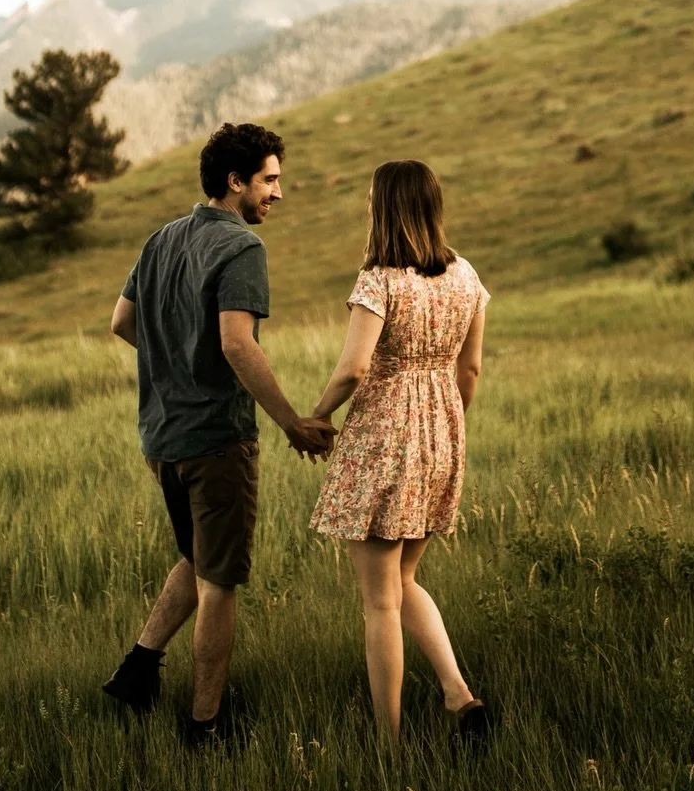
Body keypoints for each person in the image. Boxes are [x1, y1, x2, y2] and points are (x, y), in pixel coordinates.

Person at [104, 121, 334, 742]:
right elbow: (237, 344)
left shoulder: (160, 239)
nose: (278, 192)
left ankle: (138, 668)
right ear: (235, 182)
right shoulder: (241, 247)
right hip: (216, 440)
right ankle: (205, 724)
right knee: (219, 581)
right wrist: (292, 422)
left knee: (198, 556)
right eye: (269, 180)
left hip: (162, 438)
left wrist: (174, 361)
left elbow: (121, 322)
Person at [309, 159, 490, 745]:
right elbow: (470, 369)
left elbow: (354, 369)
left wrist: (316, 416)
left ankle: (388, 745)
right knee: (404, 579)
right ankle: (458, 695)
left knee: (380, 602)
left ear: (382, 208)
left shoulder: (379, 280)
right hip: (442, 436)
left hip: (384, 442)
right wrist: (445, 428)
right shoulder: (466, 276)